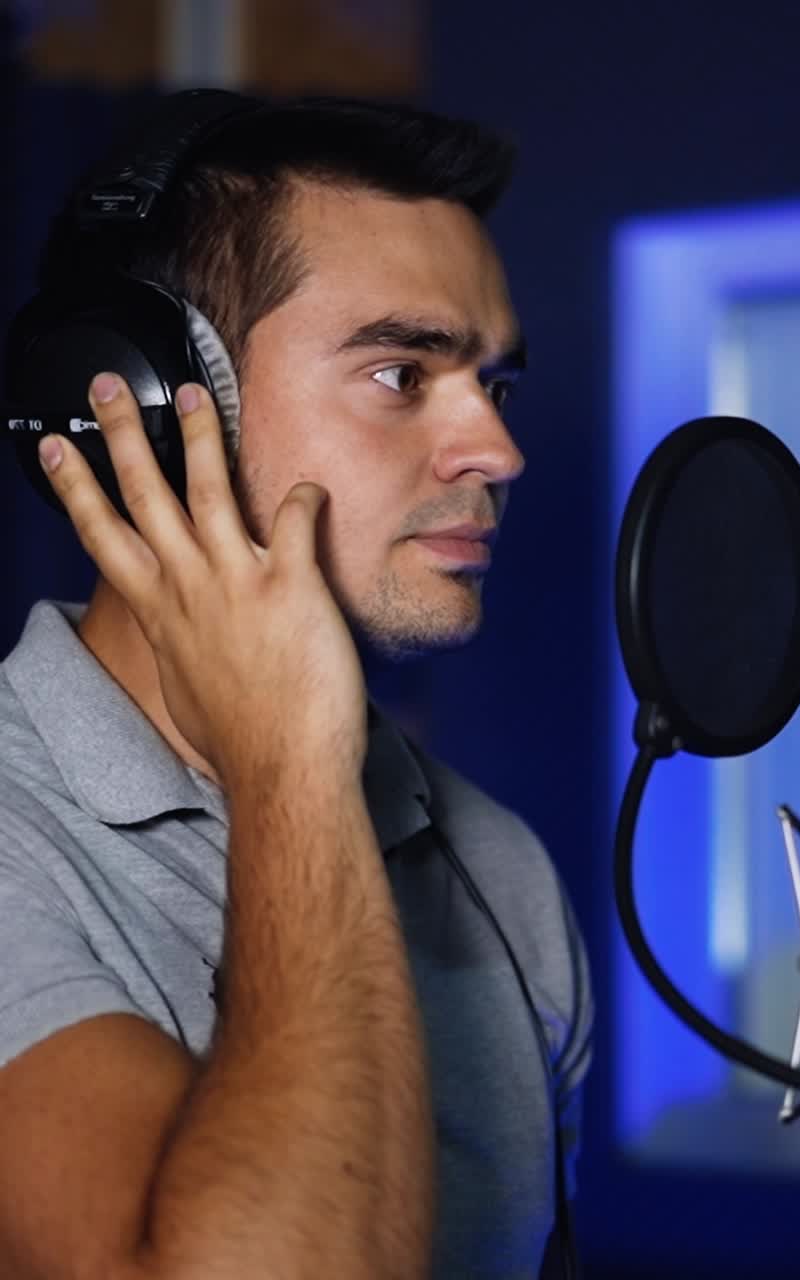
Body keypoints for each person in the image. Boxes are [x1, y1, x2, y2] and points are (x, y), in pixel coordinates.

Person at [0, 93, 593, 1280]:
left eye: (495, 384)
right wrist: (286, 760)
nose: (497, 449)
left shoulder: (500, 872)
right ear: (147, 405)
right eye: (398, 370)